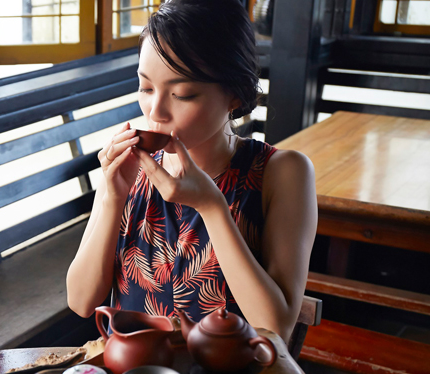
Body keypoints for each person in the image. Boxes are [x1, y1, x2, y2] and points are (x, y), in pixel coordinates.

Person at [66, 0, 317, 342]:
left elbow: (276, 328)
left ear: (234, 95)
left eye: (182, 94)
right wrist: (111, 196)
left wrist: (212, 206)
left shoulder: (282, 173)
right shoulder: (131, 169)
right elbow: (81, 302)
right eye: (146, 88)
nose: (156, 112)